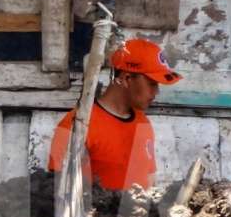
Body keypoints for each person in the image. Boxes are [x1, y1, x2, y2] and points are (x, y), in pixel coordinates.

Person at [48, 38, 181, 191]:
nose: (156, 92)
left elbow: (148, 181)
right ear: (126, 79)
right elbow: (58, 193)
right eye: (152, 83)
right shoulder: (78, 124)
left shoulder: (142, 123)